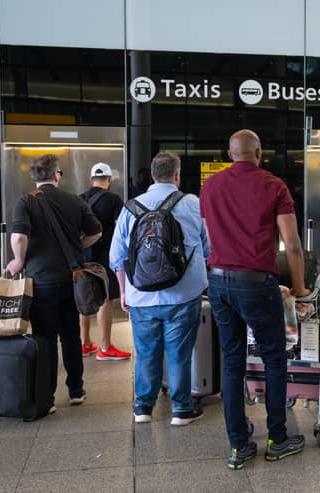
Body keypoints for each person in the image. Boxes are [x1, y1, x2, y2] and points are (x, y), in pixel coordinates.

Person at [200, 129, 310, 470]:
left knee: (232, 362)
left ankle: (238, 445)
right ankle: (277, 438)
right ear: (259, 152)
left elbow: (207, 237)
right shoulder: (274, 185)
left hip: (217, 281)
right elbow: (291, 244)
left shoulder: (210, 187)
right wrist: (301, 288)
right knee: (275, 359)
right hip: (257, 283)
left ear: (231, 154)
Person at [110, 151, 209, 425]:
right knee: (179, 352)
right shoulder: (192, 204)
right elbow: (208, 247)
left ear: (152, 176)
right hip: (183, 293)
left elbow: (116, 257)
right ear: (177, 175)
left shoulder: (131, 207)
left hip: (141, 295)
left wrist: (123, 291)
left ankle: (143, 408)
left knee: (146, 352)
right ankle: (181, 409)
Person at [7, 154, 102, 413]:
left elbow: (18, 237)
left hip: (41, 282)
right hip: (72, 279)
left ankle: (47, 398)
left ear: (35, 177)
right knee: (71, 335)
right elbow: (96, 231)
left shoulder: (26, 201)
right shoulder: (74, 200)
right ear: (57, 174)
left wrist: (18, 260)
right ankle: (76, 390)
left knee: (45, 339)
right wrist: (76, 248)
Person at [79, 163, 131, 361]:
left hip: (82, 256)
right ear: (109, 180)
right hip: (105, 257)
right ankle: (105, 347)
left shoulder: (80, 199)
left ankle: (84, 344)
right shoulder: (114, 199)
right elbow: (121, 229)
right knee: (105, 300)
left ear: (91, 179)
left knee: (82, 298)